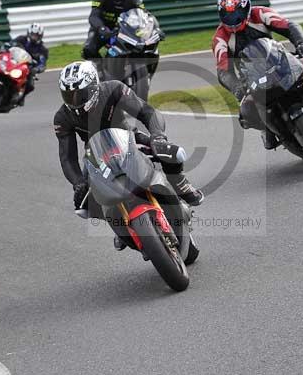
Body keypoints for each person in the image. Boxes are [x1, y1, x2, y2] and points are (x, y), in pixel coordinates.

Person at [54, 61, 204, 247]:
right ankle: (118, 222)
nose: (74, 101)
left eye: (79, 94)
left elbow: (147, 112)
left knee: (167, 151)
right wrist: (78, 183)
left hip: (128, 139)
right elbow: (67, 157)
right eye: (68, 95)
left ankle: (180, 183)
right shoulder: (62, 117)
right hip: (96, 154)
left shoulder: (113, 89)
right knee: (83, 202)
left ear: (93, 86)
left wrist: (157, 137)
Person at [211, 0, 303, 150]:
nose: (233, 20)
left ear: (246, 7)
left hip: (280, 60)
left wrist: (301, 43)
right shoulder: (220, 38)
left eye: (237, 14)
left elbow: (289, 25)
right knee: (246, 112)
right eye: (228, 15)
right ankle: (268, 130)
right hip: (251, 79)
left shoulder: (260, 13)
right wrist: (236, 87)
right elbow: (223, 70)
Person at [81, 0, 146, 73]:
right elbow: (93, 16)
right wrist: (101, 28)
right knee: (88, 49)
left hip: (125, 31)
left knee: (143, 47)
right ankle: (100, 70)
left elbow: (144, 17)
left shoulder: (135, 0)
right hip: (103, 29)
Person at [2, 23, 48, 106]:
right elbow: (9, 44)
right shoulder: (21, 39)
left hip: (27, 69)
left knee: (30, 85)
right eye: (33, 34)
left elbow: (43, 64)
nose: (34, 37)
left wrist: (37, 69)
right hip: (14, 62)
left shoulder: (43, 49)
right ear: (29, 33)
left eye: (36, 35)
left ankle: (21, 97)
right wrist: (4, 49)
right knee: (1, 63)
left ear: (40, 36)